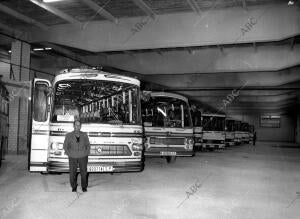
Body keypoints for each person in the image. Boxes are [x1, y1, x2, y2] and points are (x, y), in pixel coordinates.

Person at [63, 120, 90, 192]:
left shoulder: (84, 135)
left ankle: (84, 187)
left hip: (83, 156)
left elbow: (88, 145)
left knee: (84, 172)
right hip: (72, 156)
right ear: (73, 126)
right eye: (76, 125)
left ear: (80, 127)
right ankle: (74, 186)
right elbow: (65, 146)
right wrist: (69, 153)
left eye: (79, 125)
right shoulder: (68, 135)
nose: (77, 127)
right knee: (72, 173)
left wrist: (86, 153)